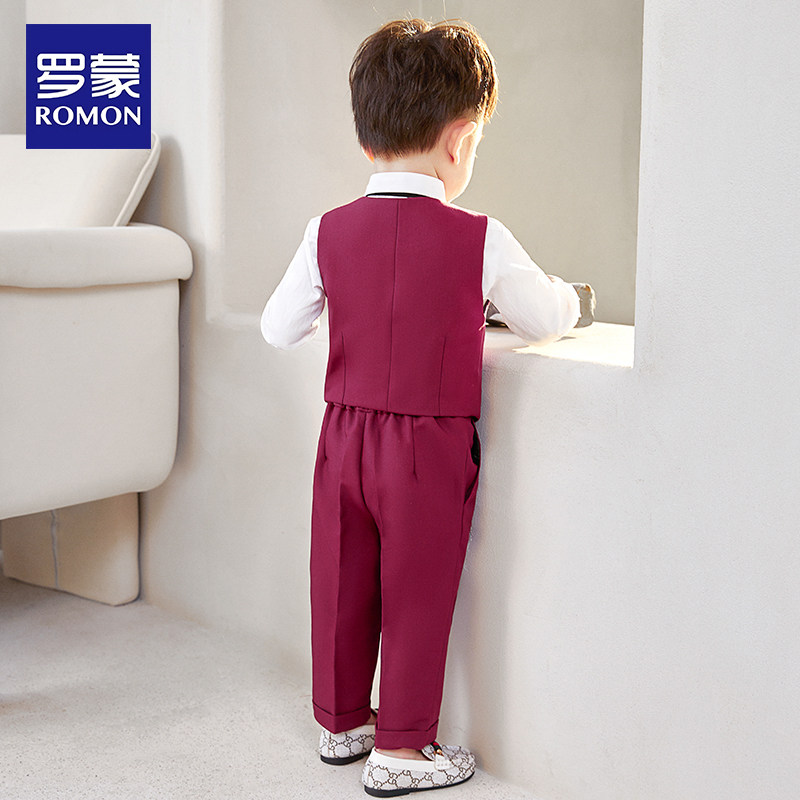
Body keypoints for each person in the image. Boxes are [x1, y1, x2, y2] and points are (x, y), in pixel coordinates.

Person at [261, 17, 580, 796]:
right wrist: (570, 300)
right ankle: (402, 750)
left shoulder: (326, 230)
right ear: (462, 140)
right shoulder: (480, 237)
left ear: (365, 137)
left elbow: (278, 328)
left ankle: (342, 722)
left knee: (340, 576)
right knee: (416, 588)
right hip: (427, 446)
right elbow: (545, 316)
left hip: (343, 435)